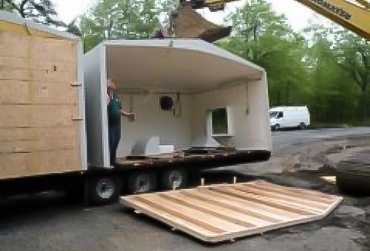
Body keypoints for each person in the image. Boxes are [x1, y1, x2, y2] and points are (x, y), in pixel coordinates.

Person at [106, 79, 135, 166]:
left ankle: (113, 161)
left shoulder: (116, 97)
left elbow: (119, 110)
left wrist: (128, 114)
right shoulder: (105, 96)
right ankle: (109, 163)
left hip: (116, 124)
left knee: (115, 142)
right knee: (110, 143)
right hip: (109, 124)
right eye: (110, 83)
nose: (113, 85)